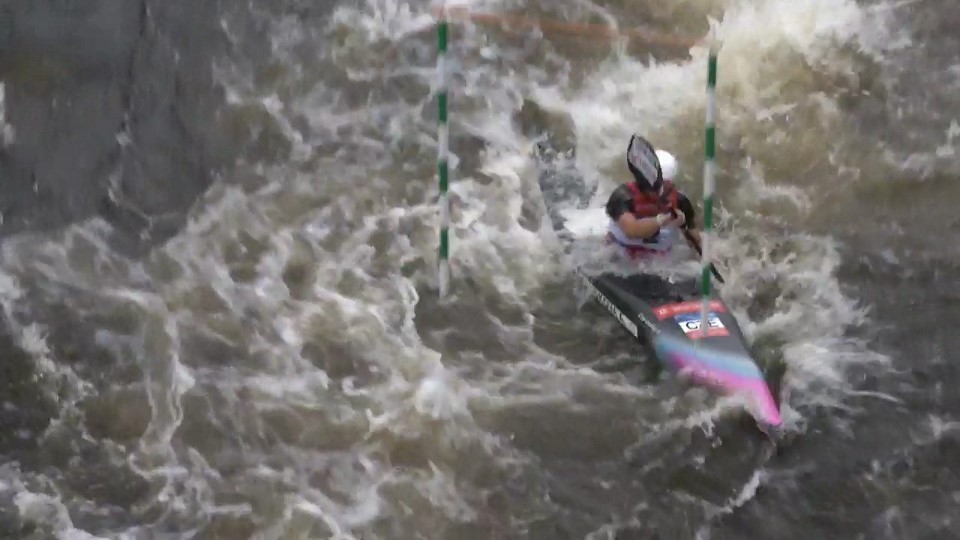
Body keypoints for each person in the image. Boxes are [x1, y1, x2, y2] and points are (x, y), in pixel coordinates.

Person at [604, 134, 701, 259]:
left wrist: (686, 227)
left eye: (668, 187)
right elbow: (632, 231)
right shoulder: (623, 197)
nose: (662, 191)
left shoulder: (680, 203)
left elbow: (695, 240)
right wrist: (664, 219)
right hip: (618, 258)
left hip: (658, 264)